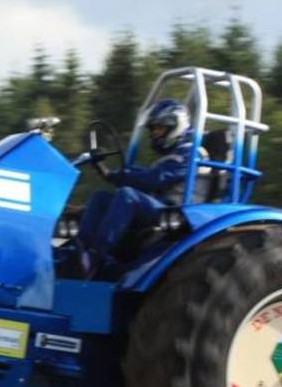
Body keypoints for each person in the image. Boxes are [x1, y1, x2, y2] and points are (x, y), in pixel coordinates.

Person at [78, 99, 207, 274]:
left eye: (159, 129)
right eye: (153, 129)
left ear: (176, 127)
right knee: (100, 198)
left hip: (175, 213)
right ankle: (82, 251)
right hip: (159, 206)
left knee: (127, 196)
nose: (154, 134)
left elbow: (155, 179)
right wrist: (109, 172)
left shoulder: (191, 153)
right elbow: (150, 175)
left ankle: (96, 256)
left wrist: (114, 175)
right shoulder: (175, 155)